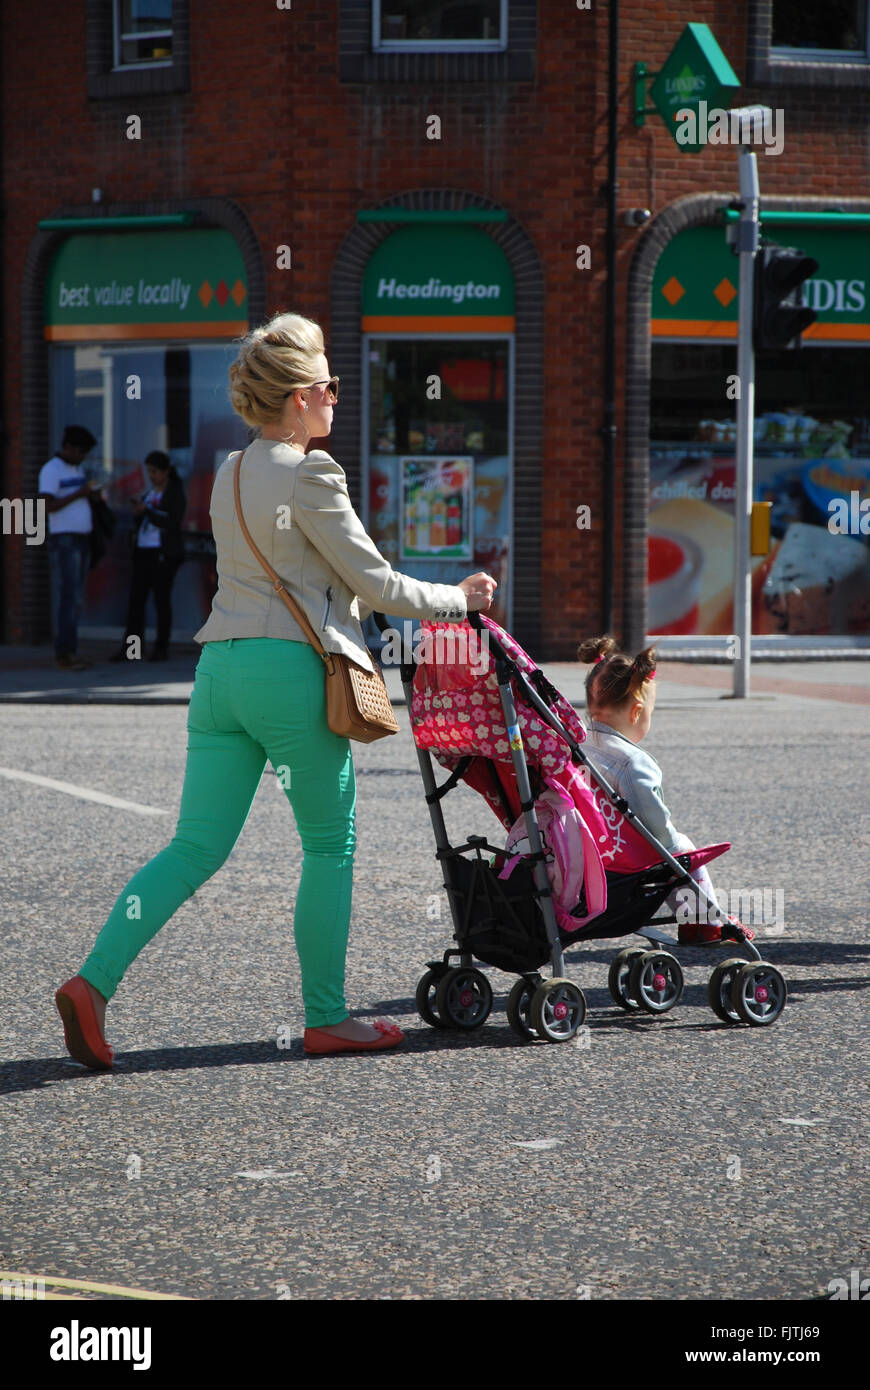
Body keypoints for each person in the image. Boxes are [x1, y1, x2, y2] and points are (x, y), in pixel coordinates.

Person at [55, 311, 497, 1067]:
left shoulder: (228, 473)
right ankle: (327, 1016)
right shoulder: (313, 473)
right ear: (297, 398)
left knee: (193, 847)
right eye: (326, 385)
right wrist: (463, 598)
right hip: (293, 674)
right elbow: (377, 583)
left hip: (220, 671)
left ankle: (92, 984)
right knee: (329, 847)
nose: (334, 397)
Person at [578, 635, 754, 945]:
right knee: (680, 848)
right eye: (648, 714)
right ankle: (702, 920)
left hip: (585, 846)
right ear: (636, 713)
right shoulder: (633, 763)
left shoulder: (578, 746)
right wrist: (676, 846)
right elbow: (655, 826)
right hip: (620, 860)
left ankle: (701, 918)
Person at [111, 450, 186, 662]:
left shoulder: (175, 493)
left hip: (163, 555)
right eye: (149, 472)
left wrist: (147, 512)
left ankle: (161, 648)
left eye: (154, 472)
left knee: (161, 601)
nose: (151, 476)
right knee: (136, 602)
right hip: (143, 551)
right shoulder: (149, 493)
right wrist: (138, 513)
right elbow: (142, 521)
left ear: (166, 472)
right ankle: (132, 649)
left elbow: (171, 522)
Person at [38, 425, 98, 670]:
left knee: (75, 598)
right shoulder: (51, 470)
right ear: (69, 448)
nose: (83, 457)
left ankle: (71, 650)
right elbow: (46, 506)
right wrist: (80, 493)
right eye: (81, 452)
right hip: (65, 541)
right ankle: (64, 654)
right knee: (68, 597)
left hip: (80, 540)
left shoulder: (76, 468)